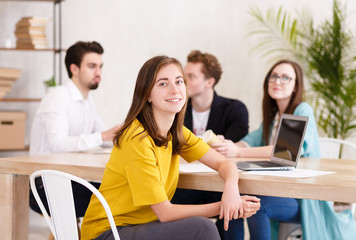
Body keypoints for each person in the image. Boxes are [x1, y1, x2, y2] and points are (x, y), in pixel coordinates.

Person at [81, 56, 260, 240]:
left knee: (202, 227)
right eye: (163, 84)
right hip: (107, 232)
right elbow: (165, 213)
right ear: (147, 94)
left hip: (141, 226)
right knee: (203, 229)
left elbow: (224, 163)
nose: (175, 90)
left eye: (179, 81)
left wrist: (231, 189)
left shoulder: (177, 133)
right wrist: (225, 206)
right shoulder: (137, 139)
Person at [212, 59, 356, 239]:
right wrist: (227, 145)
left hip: (303, 199)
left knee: (258, 205)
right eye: (274, 76)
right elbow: (248, 142)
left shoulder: (302, 110)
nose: (277, 81)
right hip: (278, 191)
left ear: (296, 86)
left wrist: (238, 152)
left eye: (285, 78)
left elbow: (286, 151)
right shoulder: (273, 119)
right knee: (235, 199)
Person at [29, 41, 120, 217]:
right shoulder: (58, 97)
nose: (98, 72)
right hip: (43, 187)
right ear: (74, 69)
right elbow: (57, 144)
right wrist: (103, 136)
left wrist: (128, 139)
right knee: (115, 198)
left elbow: (106, 138)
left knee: (120, 191)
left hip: (70, 179)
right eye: (92, 66)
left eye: (100, 66)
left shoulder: (87, 102)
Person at [171, 50, 249, 239]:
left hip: (217, 183)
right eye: (183, 76)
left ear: (210, 82)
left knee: (236, 204)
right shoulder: (174, 107)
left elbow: (228, 149)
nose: (183, 81)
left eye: (190, 76)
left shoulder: (234, 109)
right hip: (183, 184)